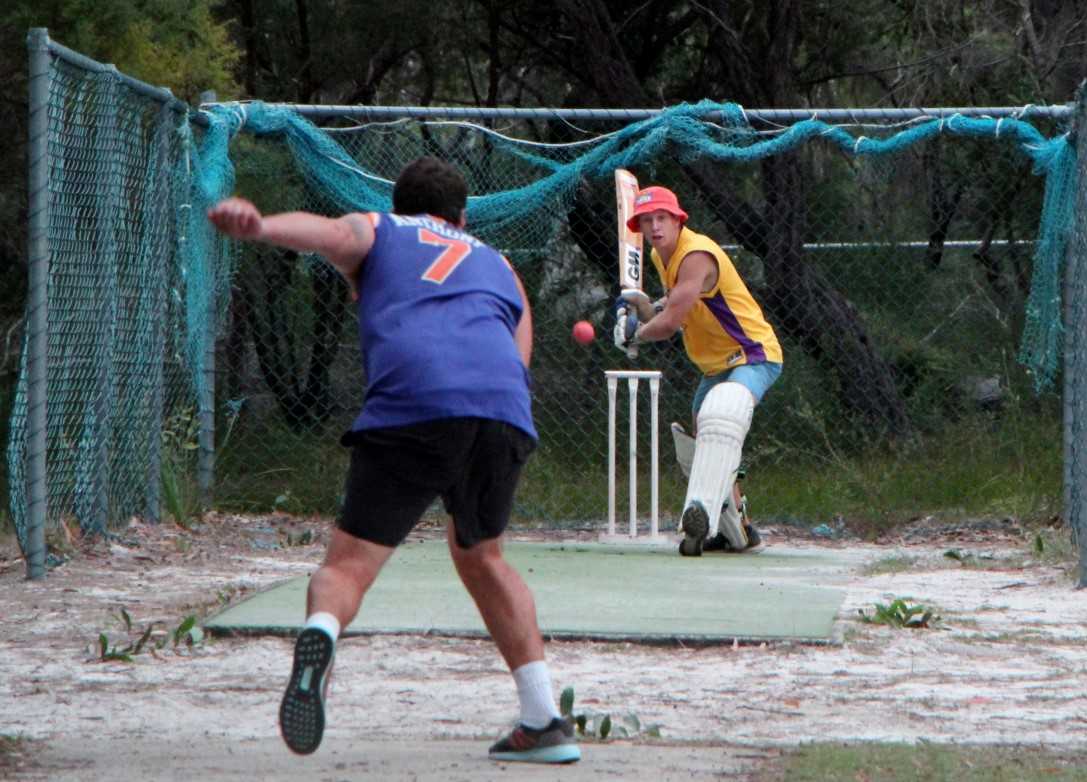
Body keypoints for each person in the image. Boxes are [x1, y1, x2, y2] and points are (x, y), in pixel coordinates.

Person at [207, 156, 579, 765]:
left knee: (348, 566)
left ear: (399, 205)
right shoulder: (499, 263)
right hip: (502, 407)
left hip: (418, 400)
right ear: (462, 216)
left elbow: (331, 235)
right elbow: (520, 356)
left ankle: (321, 636)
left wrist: (262, 226)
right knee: (484, 556)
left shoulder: (380, 228)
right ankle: (543, 717)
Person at [614, 185, 783, 556]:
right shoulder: (662, 256)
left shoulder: (695, 254)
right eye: (647, 221)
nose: (655, 227)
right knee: (705, 439)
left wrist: (635, 335)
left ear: (678, 221)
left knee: (721, 416)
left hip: (752, 353)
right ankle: (735, 527)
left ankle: (701, 514)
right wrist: (645, 308)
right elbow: (677, 304)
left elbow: (672, 322)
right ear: (640, 226)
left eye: (662, 219)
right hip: (716, 363)